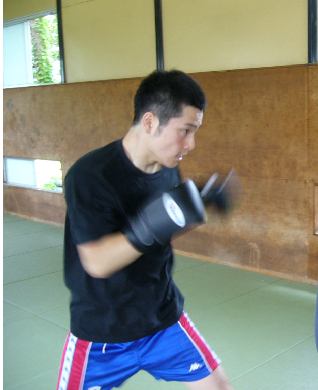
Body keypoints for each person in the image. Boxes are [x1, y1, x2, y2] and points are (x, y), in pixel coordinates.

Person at [57, 69, 234, 390]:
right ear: (150, 122)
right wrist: (149, 226)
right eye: (185, 131)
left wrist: (199, 201)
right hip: (102, 334)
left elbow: (162, 226)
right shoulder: (89, 176)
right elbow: (96, 262)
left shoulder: (167, 167)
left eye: (195, 131)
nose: (191, 143)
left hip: (162, 320)